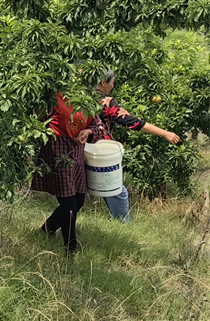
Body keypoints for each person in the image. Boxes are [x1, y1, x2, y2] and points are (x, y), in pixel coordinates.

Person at [96, 68, 180, 222]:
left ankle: (51, 227)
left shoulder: (79, 96)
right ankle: (124, 226)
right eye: (112, 83)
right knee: (117, 191)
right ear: (103, 83)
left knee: (75, 198)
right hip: (99, 154)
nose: (113, 86)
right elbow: (134, 123)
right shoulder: (107, 102)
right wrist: (166, 133)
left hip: (77, 149)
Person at [32, 91, 105, 254]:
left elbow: (99, 127)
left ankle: (47, 229)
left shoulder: (87, 100)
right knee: (68, 203)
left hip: (77, 152)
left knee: (78, 200)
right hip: (57, 151)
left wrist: (88, 132)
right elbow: (38, 123)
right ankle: (70, 246)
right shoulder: (53, 97)